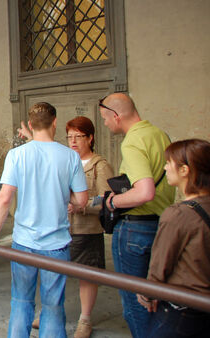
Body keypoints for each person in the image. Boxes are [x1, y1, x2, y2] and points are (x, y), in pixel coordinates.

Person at [0, 102, 88, 337]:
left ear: (31, 125)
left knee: (21, 302)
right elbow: (82, 199)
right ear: (55, 123)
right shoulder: (70, 157)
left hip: (24, 242)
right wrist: (68, 200)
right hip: (56, 244)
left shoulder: (17, 155)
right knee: (54, 306)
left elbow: (4, 197)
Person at [99, 93, 174, 338]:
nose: (106, 125)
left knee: (135, 303)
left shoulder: (132, 142)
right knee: (156, 298)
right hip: (161, 225)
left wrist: (113, 202)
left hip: (135, 228)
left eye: (105, 119)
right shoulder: (159, 134)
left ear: (116, 116)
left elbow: (144, 192)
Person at [137, 139, 210, 338]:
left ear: (184, 170)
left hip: (183, 308)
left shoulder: (178, 214)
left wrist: (147, 292)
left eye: (169, 163)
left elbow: (161, 264)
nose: (165, 167)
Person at [64, 117, 115, 337]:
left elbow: (107, 200)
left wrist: (80, 206)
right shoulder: (65, 162)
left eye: (78, 136)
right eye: (69, 137)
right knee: (55, 271)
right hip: (63, 228)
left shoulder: (99, 165)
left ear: (90, 137)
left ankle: (85, 319)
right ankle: (51, 309)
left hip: (87, 228)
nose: (73, 141)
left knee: (88, 274)